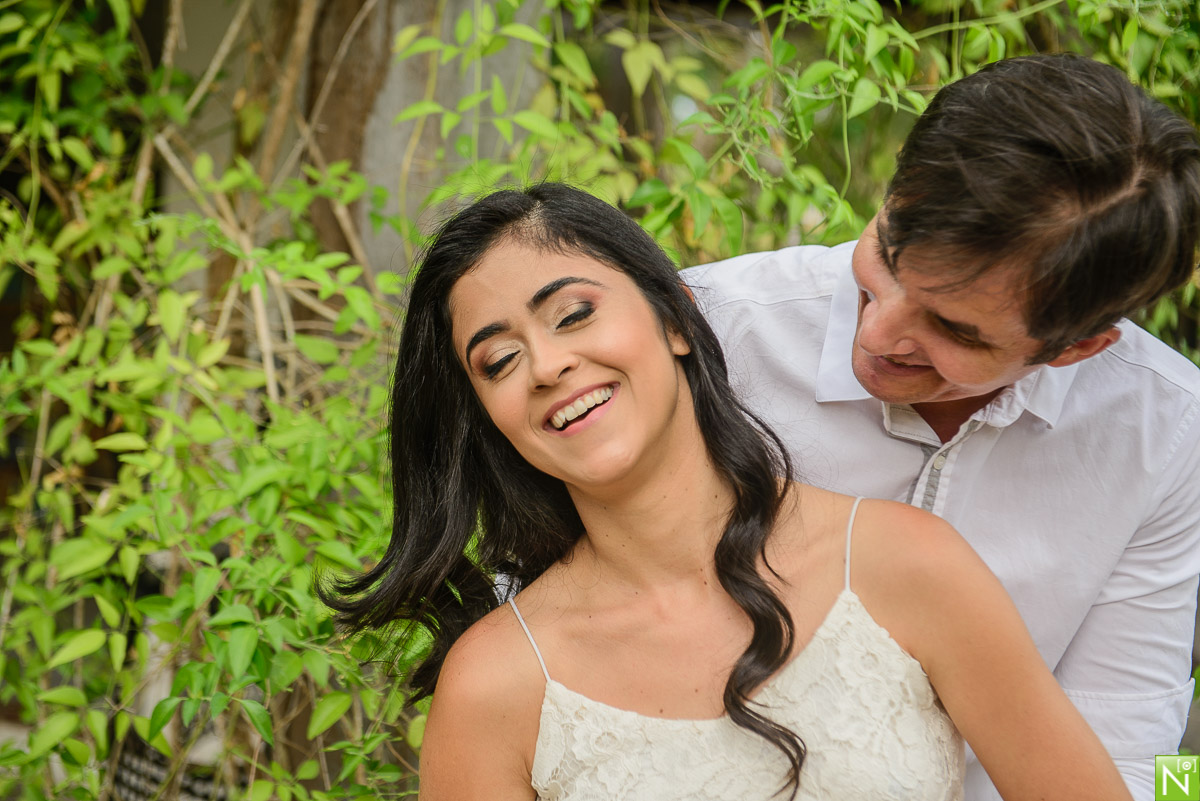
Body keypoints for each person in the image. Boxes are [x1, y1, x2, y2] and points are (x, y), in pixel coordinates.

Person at [323, 182, 1130, 800]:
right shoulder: (496, 682)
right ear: (491, 417)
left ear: (677, 318)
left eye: (573, 314)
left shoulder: (904, 564)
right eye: (497, 360)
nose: (546, 365)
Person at [682, 54, 1200, 800]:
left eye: (955, 328)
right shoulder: (710, 335)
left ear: (1076, 346)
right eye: (888, 252)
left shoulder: (1167, 430)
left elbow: (1135, 755)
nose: (878, 331)